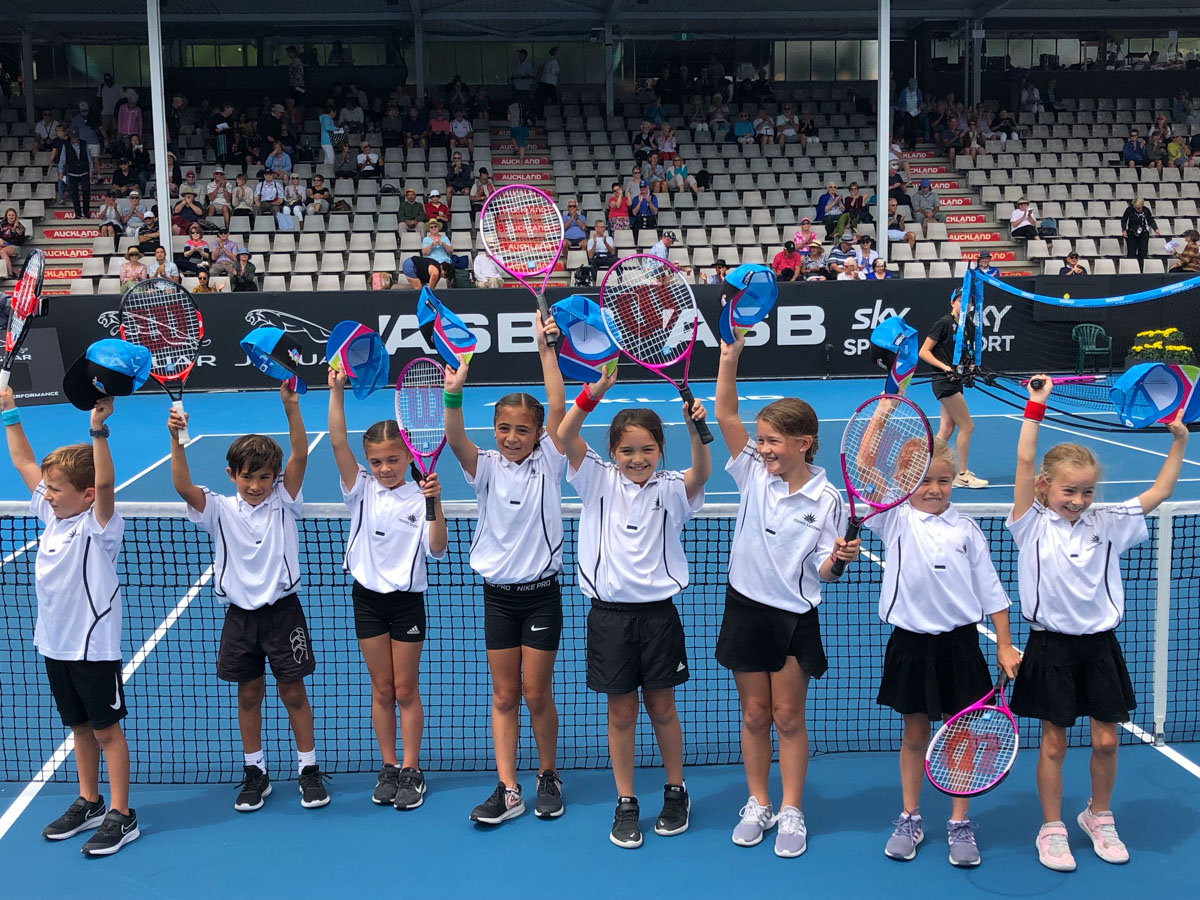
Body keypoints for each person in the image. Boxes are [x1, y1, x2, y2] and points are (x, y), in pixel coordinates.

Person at [1010, 378, 1188, 873]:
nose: (1078, 499)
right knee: (1054, 742)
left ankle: (1098, 815)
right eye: (1069, 490)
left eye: (1087, 491)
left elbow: (1161, 491)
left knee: (1107, 741)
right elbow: (1024, 460)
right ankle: (1051, 828)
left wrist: (1179, 441)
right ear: (1045, 487)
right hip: (1050, 649)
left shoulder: (1107, 522)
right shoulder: (1029, 523)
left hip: (1100, 648)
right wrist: (1036, 406)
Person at [713, 331, 859, 857]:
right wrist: (729, 358)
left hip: (793, 618)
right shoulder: (752, 472)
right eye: (762, 439)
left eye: (774, 441)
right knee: (754, 714)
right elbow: (725, 413)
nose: (765, 449)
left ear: (804, 443)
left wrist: (837, 561)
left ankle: (792, 808)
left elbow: (822, 571)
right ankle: (758, 802)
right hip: (745, 608)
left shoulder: (828, 500)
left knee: (788, 717)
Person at [556, 366, 711, 849]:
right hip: (609, 619)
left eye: (647, 449)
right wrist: (595, 391)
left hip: (659, 617)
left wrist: (695, 429)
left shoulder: (672, 487)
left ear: (660, 450)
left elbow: (701, 472)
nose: (637, 458)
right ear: (612, 453)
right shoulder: (595, 481)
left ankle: (675, 790)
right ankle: (626, 801)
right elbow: (564, 434)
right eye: (627, 451)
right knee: (620, 713)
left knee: (662, 707)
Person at [168, 385, 329, 813]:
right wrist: (176, 438)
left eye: (263, 478)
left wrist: (292, 408)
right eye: (247, 477)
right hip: (240, 617)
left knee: (293, 694)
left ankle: (308, 769)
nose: (255, 485)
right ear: (231, 475)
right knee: (248, 696)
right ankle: (256, 771)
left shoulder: (285, 501)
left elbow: (300, 455)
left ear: (274, 478)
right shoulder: (218, 508)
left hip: (284, 614)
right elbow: (182, 485)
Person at [870, 430, 1021, 866]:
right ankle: (910, 817)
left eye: (943, 481)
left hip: (961, 647)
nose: (934, 489)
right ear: (905, 482)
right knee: (915, 735)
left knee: (961, 737)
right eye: (923, 480)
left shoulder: (967, 529)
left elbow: (991, 591)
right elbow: (867, 467)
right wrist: (887, 404)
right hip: (910, 646)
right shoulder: (893, 518)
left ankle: (959, 822)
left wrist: (1005, 645)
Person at [2, 388, 138, 856]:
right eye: (47, 488)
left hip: (92, 649)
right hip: (54, 645)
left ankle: (121, 813)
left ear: (85, 494)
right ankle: (90, 801)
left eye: (56, 489)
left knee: (106, 731)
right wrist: (10, 412)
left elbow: (106, 486)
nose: (47, 494)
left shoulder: (99, 527)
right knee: (79, 727)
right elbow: (23, 461)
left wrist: (98, 430)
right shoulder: (51, 514)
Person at [442, 316, 568, 823]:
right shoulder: (485, 466)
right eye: (503, 429)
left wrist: (545, 350)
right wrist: (454, 393)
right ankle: (508, 788)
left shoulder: (551, 461)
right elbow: (455, 438)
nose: (512, 437)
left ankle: (547, 774)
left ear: (538, 434)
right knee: (504, 694)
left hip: (541, 596)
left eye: (522, 430)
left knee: (536, 693)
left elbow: (556, 404)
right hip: (497, 596)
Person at [326, 367, 446, 810]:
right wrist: (336, 392)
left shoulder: (420, 495)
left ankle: (412, 769)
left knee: (405, 689)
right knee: (381, 689)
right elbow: (338, 442)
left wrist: (434, 502)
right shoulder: (360, 488)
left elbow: (437, 548)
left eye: (393, 460)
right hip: (367, 601)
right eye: (376, 462)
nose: (384, 469)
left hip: (406, 604)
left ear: (408, 454)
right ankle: (389, 765)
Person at [919, 290, 987, 488]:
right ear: (952, 302)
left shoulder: (969, 326)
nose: (966, 305)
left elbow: (966, 352)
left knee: (947, 428)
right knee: (967, 426)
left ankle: (922, 465)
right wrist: (945, 368)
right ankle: (962, 474)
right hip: (944, 381)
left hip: (956, 381)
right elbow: (924, 352)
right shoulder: (944, 323)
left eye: (969, 302)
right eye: (962, 300)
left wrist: (971, 366)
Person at [58, 130, 92, 220]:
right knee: (74, 193)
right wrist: (61, 171)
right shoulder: (66, 145)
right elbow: (62, 159)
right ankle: (78, 214)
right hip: (72, 172)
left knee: (86, 191)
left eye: (76, 137)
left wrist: (91, 171)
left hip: (84, 171)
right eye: (73, 137)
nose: (75, 139)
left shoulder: (84, 144)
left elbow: (89, 158)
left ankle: (86, 212)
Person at [1120, 198, 1159, 264]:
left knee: (1143, 254)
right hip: (1131, 234)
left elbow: (1150, 220)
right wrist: (1124, 230)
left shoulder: (1146, 210)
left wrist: (1155, 229)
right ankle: (1131, 268)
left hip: (1143, 234)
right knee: (1131, 254)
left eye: (1139, 208)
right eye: (1136, 208)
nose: (1138, 209)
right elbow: (1124, 220)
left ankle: (1142, 268)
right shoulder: (1129, 210)